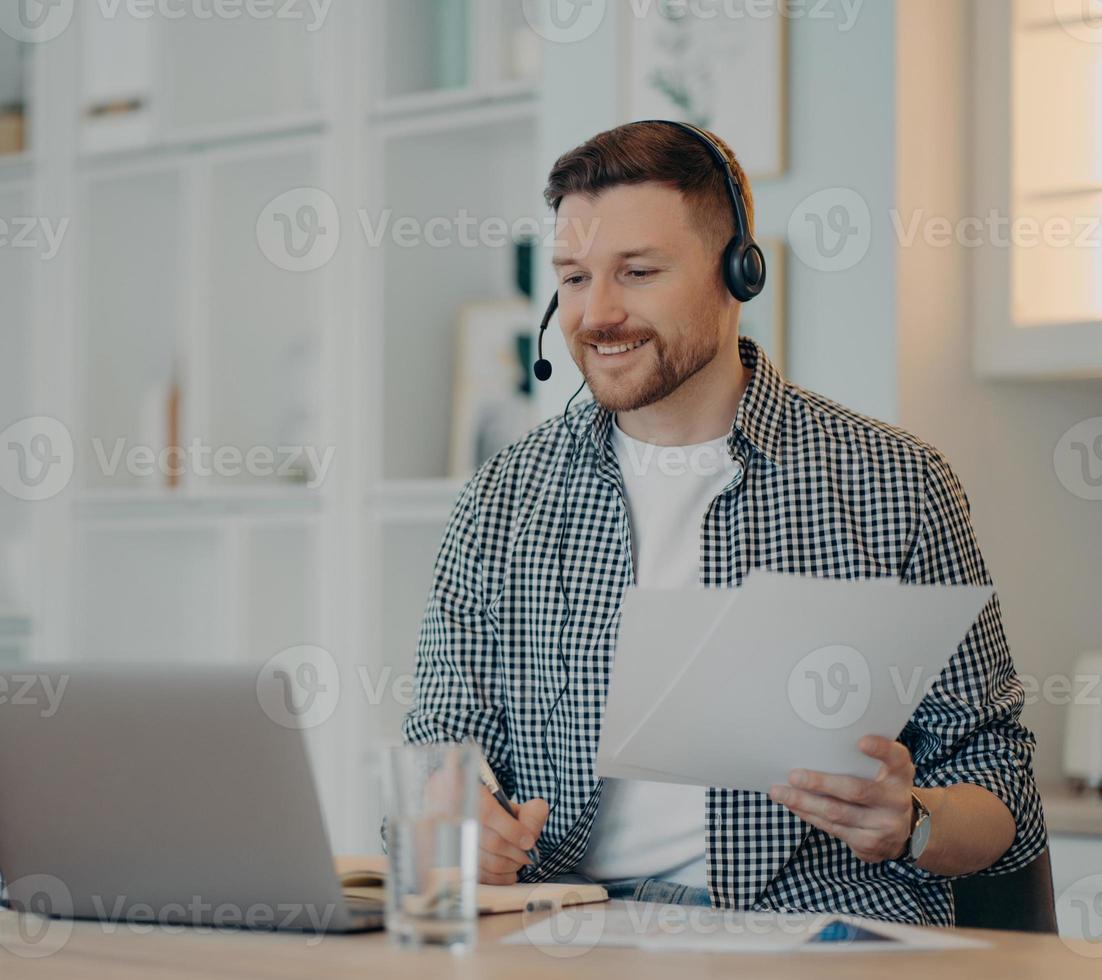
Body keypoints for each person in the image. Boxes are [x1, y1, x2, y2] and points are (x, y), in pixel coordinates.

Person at [402, 120, 1046, 924]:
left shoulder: (896, 483)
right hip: (568, 931)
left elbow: (999, 781)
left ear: (737, 274)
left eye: (636, 272)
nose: (596, 314)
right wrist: (456, 826)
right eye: (572, 278)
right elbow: (436, 752)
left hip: (820, 934)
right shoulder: (501, 500)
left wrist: (912, 823)